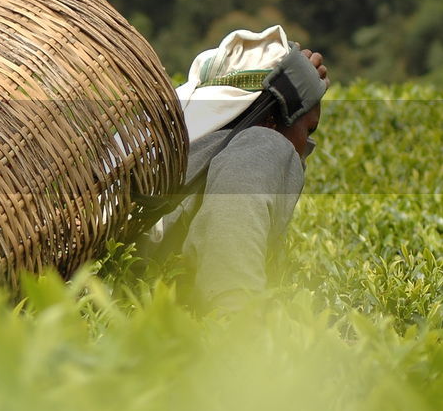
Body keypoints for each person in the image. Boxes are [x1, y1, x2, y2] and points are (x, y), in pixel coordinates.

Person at [140, 25, 329, 311]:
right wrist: (239, 327)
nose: (306, 147)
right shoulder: (263, 143)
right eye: (309, 129)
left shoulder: (171, 163)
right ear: (270, 122)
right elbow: (232, 278)